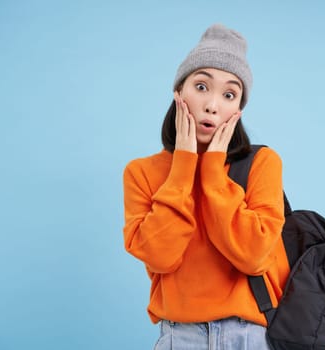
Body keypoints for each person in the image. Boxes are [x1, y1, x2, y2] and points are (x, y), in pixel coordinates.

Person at [122, 23, 289, 349]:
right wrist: (184, 167)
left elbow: (254, 255)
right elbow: (160, 257)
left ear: (238, 110)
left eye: (229, 94)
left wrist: (212, 172)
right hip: (179, 337)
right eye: (201, 86)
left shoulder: (262, 163)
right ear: (178, 93)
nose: (213, 104)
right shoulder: (141, 172)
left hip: (249, 336)